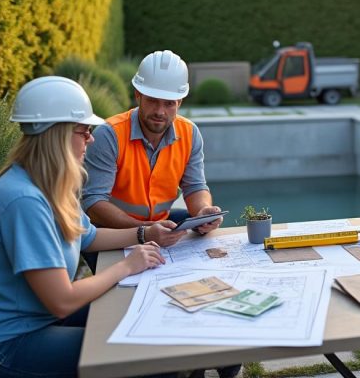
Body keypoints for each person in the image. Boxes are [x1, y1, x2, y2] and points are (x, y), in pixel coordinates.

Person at [0, 76, 179, 378]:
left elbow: (89, 236)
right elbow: (62, 301)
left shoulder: (47, 183)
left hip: (33, 322)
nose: (91, 139)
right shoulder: (23, 200)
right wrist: (126, 266)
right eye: (84, 131)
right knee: (145, 358)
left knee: (142, 315)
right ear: (56, 135)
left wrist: (146, 233)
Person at [81, 50, 240, 378]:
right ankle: (172, 362)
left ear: (180, 101)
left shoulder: (189, 133)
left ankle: (211, 355)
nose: (160, 111)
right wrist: (145, 230)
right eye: (153, 100)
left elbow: (196, 186)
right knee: (146, 305)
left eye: (170, 103)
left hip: (158, 228)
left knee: (202, 280)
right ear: (137, 94)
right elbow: (93, 203)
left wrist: (203, 212)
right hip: (109, 240)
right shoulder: (109, 135)